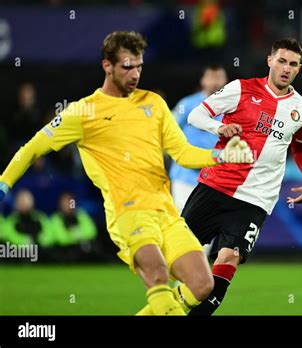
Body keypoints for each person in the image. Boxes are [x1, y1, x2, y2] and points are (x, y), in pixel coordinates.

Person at [0, 31, 253, 316]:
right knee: (157, 275)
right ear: (107, 66)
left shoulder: (154, 104)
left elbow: (182, 153)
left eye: (140, 66)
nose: (135, 74)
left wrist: (220, 156)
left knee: (202, 284)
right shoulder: (83, 112)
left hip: (166, 213)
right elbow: (32, 149)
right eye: (127, 66)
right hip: (128, 212)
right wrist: (3, 183)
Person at [183, 38, 302, 315]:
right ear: (270, 60)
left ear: (298, 69)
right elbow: (196, 116)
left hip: (256, 198)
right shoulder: (240, 88)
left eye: (293, 64)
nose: (286, 68)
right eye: (281, 61)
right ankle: (172, 301)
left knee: (230, 256)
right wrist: (217, 129)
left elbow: (301, 146)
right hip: (215, 185)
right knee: (179, 254)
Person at [169, 64, 227, 212]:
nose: (215, 82)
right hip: (185, 176)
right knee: (183, 222)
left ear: (226, 80)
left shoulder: (231, 109)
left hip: (214, 178)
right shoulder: (188, 105)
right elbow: (169, 130)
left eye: (219, 77)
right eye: (211, 77)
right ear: (203, 80)